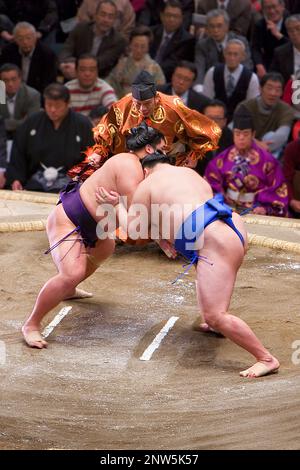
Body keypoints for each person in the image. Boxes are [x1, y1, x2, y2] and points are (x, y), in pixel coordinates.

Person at [97, 152, 280, 378]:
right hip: (231, 226)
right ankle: (211, 322)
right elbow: (186, 213)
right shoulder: (189, 173)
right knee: (205, 277)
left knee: (216, 315)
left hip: (215, 241)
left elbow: (134, 231)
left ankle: (265, 358)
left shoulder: (148, 184)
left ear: (145, 171)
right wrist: (164, 238)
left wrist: (116, 206)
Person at [21, 122, 167, 348]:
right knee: (73, 271)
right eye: (163, 149)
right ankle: (31, 324)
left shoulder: (143, 169)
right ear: (150, 149)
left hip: (97, 229)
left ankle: (68, 290)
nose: (165, 154)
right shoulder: (129, 165)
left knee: (105, 247)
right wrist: (163, 237)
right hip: (69, 219)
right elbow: (136, 218)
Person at [68, 70, 221, 181]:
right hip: (131, 162)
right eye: (138, 104)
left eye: (147, 103)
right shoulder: (123, 105)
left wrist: (194, 155)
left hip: (167, 163)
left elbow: (207, 130)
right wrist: (99, 151)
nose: (142, 109)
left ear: (155, 98)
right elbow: (107, 128)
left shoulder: (174, 106)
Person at [205, 107, 289, 216]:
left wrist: (264, 208)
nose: (241, 138)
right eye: (237, 134)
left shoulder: (268, 161)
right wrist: (220, 202)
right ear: (233, 134)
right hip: (227, 209)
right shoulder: (221, 159)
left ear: (253, 134)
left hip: (256, 210)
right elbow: (211, 182)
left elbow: (277, 188)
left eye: (245, 134)